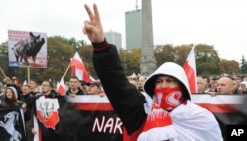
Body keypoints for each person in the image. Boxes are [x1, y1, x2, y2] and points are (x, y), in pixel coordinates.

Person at [83, 3, 223, 141]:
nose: (163, 85)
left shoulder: (202, 118)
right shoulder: (142, 110)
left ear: (182, 85)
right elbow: (116, 84)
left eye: (170, 81)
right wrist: (101, 45)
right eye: (159, 81)